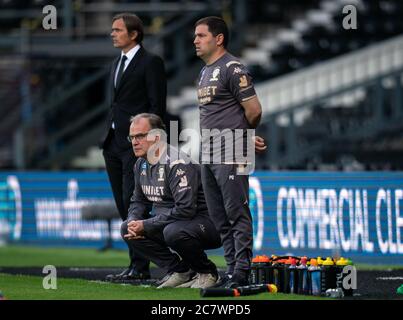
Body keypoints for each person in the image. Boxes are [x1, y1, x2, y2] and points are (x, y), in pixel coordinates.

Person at [193, 16, 266, 288]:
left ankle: (242, 272)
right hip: (208, 152)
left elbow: (255, 110)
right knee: (219, 217)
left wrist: (242, 137)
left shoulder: (233, 68)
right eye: (196, 36)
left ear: (219, 38)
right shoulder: (203, 72)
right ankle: (232, 268)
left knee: (236, 213)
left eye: (201, 36)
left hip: (231, 150)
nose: (195, 41)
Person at [100, 13, 167, 281]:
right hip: (113, 144)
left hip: (136, 146)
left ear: (134, 33)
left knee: (133, 204)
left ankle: (141, 266)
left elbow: (157, 105)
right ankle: (135, 264)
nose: (112, 34)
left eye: (117, 30)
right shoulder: (116, 63)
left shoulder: (151, 62)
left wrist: (151, 141)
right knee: (122, 204)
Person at [121, 113, 221, 289]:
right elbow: (138, 201)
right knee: (126, 228)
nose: (134, 142)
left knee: (173, 232)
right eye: (132, 137)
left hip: (209, 223)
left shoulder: (177, 162)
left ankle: (208, 272)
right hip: (174, 223)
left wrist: (146, 224)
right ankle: (181, 271)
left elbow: (185, 209)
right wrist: (133, 221)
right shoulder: (140, 164)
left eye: (140, 136)